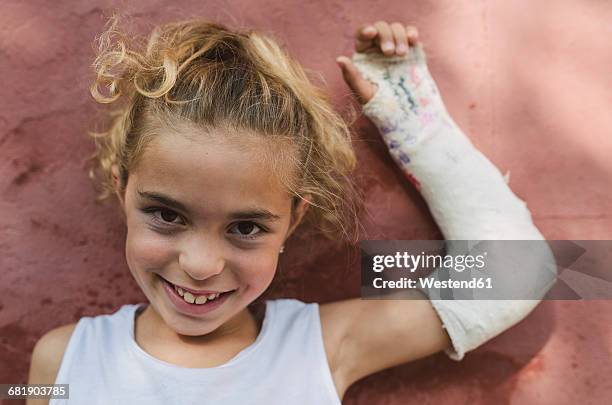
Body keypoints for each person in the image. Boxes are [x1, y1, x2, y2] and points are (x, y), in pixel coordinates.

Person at [26, 16, 555, 404]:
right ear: (123, 190)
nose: (202, 264)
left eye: (247, 227)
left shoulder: (318, 348)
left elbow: (519, 269)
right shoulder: (58, 364)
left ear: (293, 221)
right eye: (167, 215)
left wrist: (413, 121)